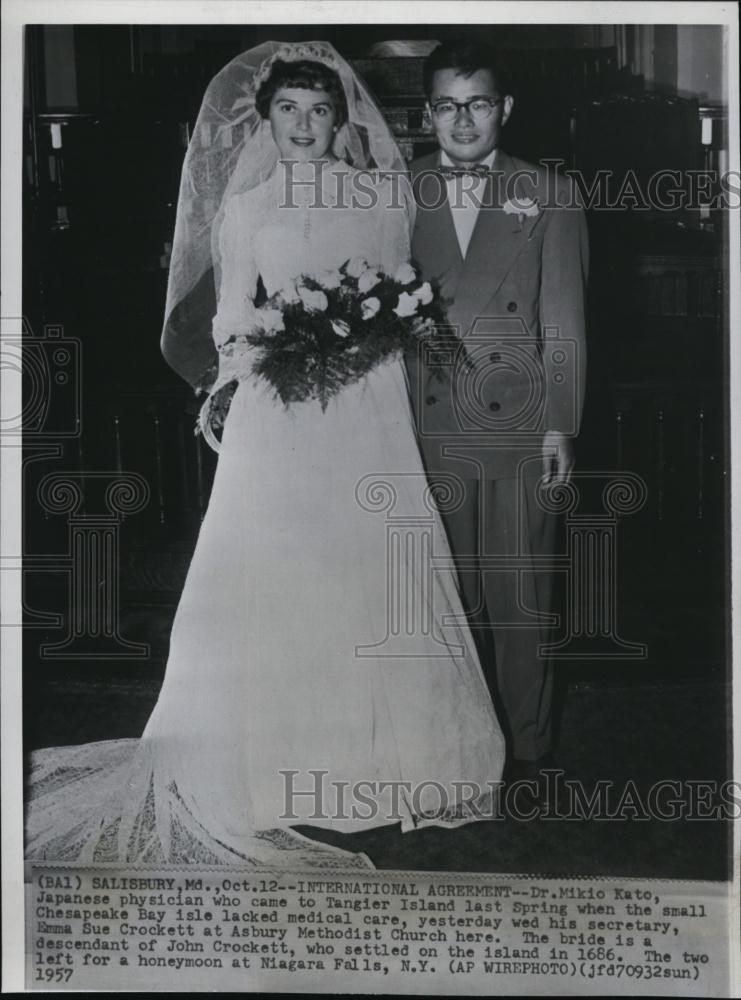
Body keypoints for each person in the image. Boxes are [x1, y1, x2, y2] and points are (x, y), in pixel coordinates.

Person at [25, 41, 505, 868]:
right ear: (266, 119)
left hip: (365, 410)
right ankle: (263, 768)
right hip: (280, 415)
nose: (305, 125)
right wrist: (244, 370)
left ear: (340, 117)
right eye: (288, 110)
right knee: (274, 573)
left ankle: (388, 767)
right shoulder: (245, 209)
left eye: (320, 110)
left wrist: (360, 343)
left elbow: (398, 291)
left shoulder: (377, 194)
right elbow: (229, 319)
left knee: (366, 568)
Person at [405, 40, 588, 779]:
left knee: (521, 595)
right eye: (447, 106)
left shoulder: (549, 192)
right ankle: (459, 741)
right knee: (450, 595)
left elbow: (565, 319)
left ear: (503, 109)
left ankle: (529, 743)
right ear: (426, 114)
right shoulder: (396, 190)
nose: (462, 120)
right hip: (426, 422)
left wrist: (561, 423)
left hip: (518, 420)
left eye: (477, 103)